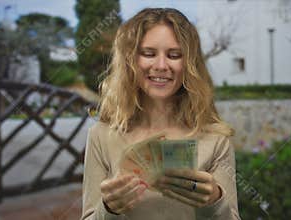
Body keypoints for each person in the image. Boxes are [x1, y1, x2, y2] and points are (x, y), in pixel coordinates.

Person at [81, 8, 240, 220]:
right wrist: (108, 209)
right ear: (130, 61)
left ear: (189, 64)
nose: (162, 66)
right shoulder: (101, 136)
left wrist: (214, 200)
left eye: (174, 55)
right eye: (149, 53)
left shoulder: (216, 139)